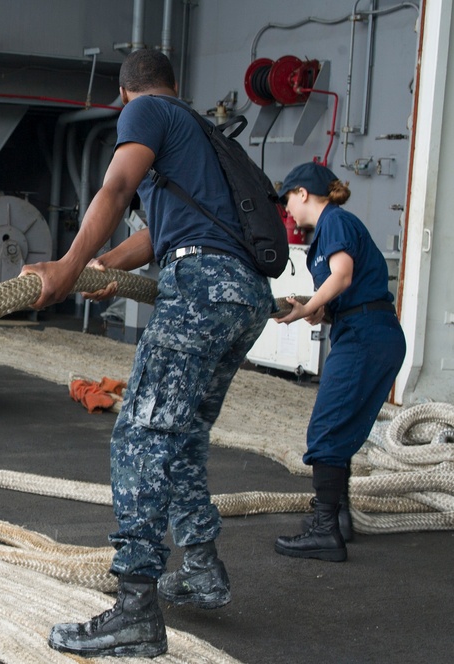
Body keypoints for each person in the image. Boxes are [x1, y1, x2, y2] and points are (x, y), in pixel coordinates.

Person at [21, 49, 274, 658]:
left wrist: (68, 264)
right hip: (243, 294)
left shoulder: (147, 112)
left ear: (125, 91)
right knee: (180, 437)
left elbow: (116, 184)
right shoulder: (200, 136)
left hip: (201, 287)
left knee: (139, 434)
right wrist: (105, 265)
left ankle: (135, 608)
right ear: (177, 82)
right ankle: (202, 571)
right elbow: (158, 233)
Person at [273, 162, 405, 562]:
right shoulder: (333, 227)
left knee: (327, 426)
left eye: (287, 201)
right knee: (341, 426)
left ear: (302, 193)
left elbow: (343, 276)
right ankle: (339, 519)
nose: (287, 212)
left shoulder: (334, 222)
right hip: (363, 329)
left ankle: (326, 531)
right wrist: (320, 312)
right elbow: (350, 289)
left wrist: (309, 306)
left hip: (366, 336)